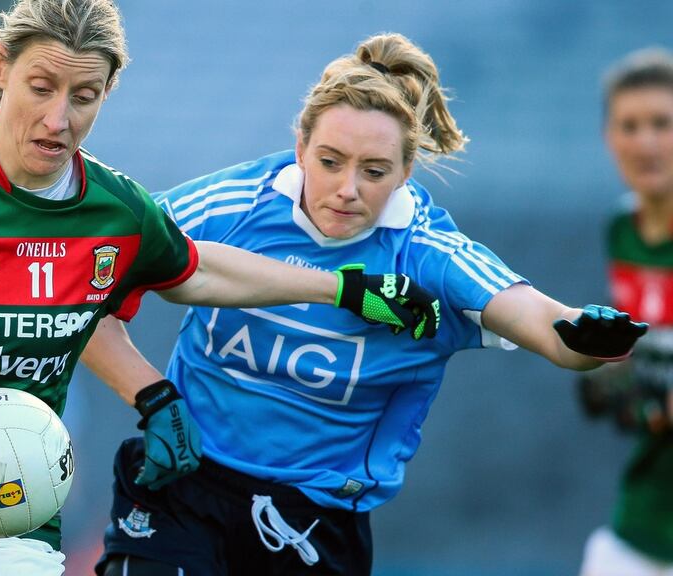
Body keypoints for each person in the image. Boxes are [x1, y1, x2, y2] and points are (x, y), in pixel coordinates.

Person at [0, 3, 443, 575]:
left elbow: (197, 269)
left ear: (106, 93)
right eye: (42, 88)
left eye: (84, 97)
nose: (59, 120)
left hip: (4, 523)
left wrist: (342, 291)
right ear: (2, 70)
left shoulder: (115, 210)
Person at [82, 33, 650, 576]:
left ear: (406, 172)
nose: (347, 188)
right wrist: (154, 398)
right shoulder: (232, 205)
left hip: (313, 522)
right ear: (300, 145)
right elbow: (78, 291)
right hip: (185, 484)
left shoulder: (429, 255)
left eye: (374, 171)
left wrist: (580, 332)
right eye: (329, 161)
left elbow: (539, 321)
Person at [577, 48, 673, 576]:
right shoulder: (621, 229)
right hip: (644, 511)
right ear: (608, 137)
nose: (646, 142)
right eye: (629, 125)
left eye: (662, 123)